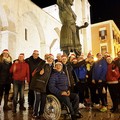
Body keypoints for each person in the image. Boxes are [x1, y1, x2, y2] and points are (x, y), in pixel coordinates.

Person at [30, 54, 54, 119]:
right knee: (37, 99)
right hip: (38, 85)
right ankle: (35, 113)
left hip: (44, 86)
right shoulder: (43, 64)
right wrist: (39, 72)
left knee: (43, 100)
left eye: (52, 58)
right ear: (47, 58)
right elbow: (37, 71)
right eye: (49, 58)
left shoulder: (52, 67)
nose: (50, 59)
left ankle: (41, 113)